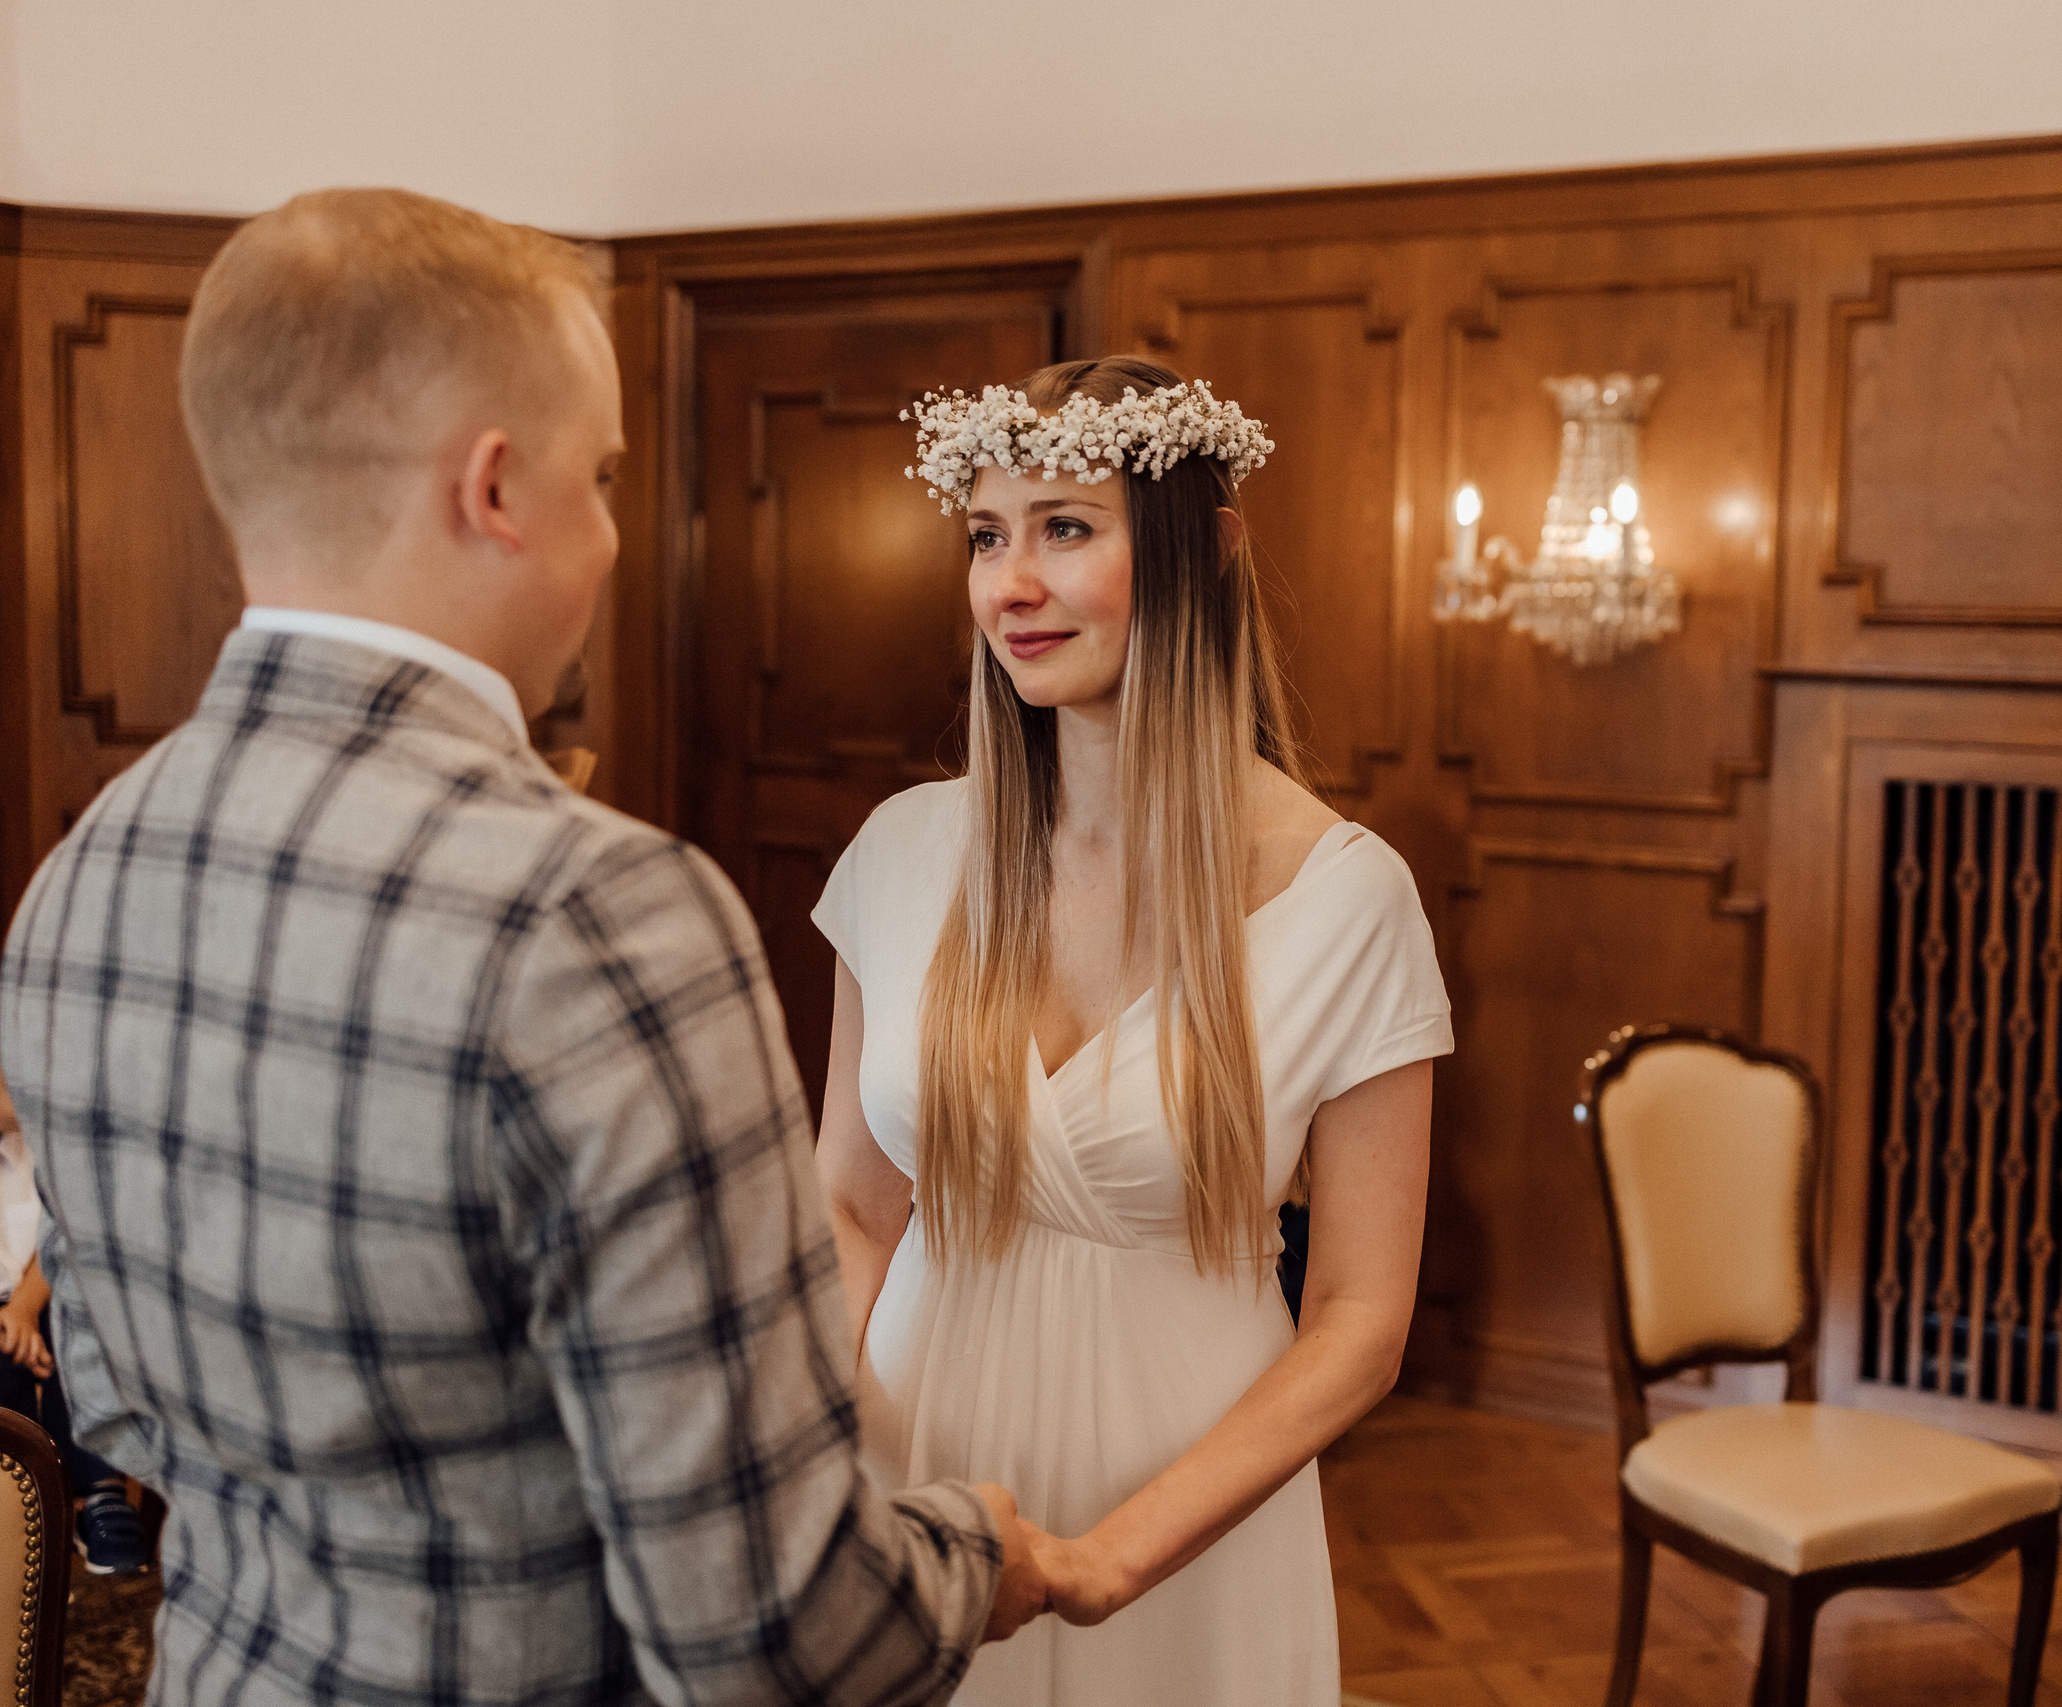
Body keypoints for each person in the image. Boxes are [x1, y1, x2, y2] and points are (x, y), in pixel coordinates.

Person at [0, 188, 1043, 1706]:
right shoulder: (601, 912)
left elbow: (126, 1405)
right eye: (603, 477)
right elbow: (763, 1629)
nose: (614, 533)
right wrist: (975, 1554)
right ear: (496, 488)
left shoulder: (80, 878)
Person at [815, 357, 1453, 1705]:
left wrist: (1109, 1557)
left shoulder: (1348, 898)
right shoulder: (901, 853)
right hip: (915, 1477)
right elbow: (856, 1206)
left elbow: (1358, 1315)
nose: (1010, 583)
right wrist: (848, 1462)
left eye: (1065, 527)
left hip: (1186, 1501)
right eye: (988, 535)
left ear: (1203, 549)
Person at [0, 1068, 147, 1574]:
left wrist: (25, 1308)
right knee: (7, 1370)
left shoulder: (50, 1152)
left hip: (51, 1289)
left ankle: (101, 1491)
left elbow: (64, 1229)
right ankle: (21, 1516)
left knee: (83, 1336)